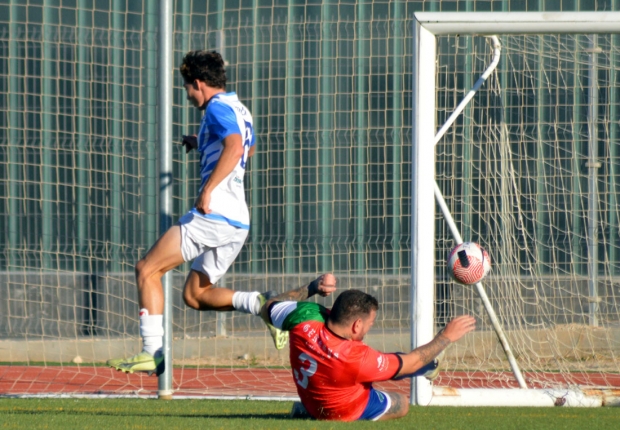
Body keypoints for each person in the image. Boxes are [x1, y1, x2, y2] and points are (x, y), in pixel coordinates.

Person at [107, 50, 287, 376]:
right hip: (237, 221)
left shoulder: (217, 108)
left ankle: (152, 352)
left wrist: (208, 189)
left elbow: (234, 146)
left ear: (199, 84)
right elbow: (247, 146)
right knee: (195, 295)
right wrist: (202, 142)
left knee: (147, 269)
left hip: (214, 215)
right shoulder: (239, 107)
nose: (188, 94)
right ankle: (260, 303)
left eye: (187, 87)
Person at [261, 277, 477, 421]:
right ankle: (428, 367)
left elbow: (270, 305)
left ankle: (308, 411)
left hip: (311, 399)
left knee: (382, 367)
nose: (371, 327)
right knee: (401, 402)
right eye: (370, 323)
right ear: (356, 325)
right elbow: (410, 362)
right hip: (344, 410)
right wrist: (445, 336)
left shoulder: (305, 316)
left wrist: (311, 287)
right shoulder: (359, 357)